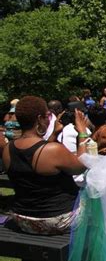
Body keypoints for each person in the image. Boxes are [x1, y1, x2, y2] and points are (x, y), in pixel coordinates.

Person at [2, 96, 87, 235]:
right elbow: (81, 166)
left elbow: (36, 155)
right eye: (48, 115)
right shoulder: (53, 150)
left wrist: (54, 134)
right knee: (95, 200)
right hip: (56, 219)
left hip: (22, 219)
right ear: (40, 118)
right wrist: (82, 131)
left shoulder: (8, 149)